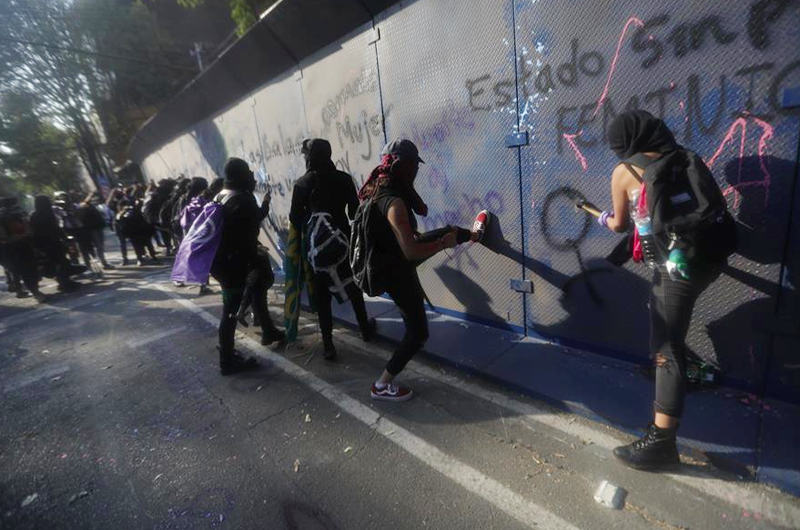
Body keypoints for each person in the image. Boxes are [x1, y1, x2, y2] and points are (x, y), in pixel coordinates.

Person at [597, 110, 726, 470]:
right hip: (707, 259)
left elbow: (621, 224)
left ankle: (661, 443)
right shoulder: (685, 158)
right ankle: (685, 373)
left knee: (665, 346)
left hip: (673, 267)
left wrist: (604, 219)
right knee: (668, 323)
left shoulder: (624, 173)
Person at [357, 139, 489, 401]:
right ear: (404, 167)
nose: (416, 172)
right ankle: (382, 385)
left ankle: (474, 235)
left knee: (444, 232)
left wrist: (440, 238)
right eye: (413, 167)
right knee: (418, 333)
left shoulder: (376, 188)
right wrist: (442, 244)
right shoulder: (394, 202)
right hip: (394, 270)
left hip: (390, 260)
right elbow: (411, 253)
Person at [289, 138, 376, 359]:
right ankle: (365, 328)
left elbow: (295, 218)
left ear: (310, 157)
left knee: (322, 296)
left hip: (316, 250)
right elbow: (355, 213)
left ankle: (328, 345)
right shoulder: (344, 179)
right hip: (343, 244)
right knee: (354, 288)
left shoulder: (302, 184)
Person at [211, 158, 285, 376]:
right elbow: (248, 235)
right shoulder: (243, 199)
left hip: (222, 263)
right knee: (231, 311)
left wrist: (264, 207)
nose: (253, 178)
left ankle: (268, 331)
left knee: (257, 290)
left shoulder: (222, 195)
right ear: (241, 176)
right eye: (249, 174)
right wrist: (253, 263)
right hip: (234, 265)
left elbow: (247, 222)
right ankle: (227, 360)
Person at [30, 195, 81, 291]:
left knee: (55, 263)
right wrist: (64, 238)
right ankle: (65, 282)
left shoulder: (34, 215)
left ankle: (63, 281)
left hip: (43, 244)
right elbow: (56, 228)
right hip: (53, 243)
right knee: (60, 262)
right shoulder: (48, 214)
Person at [0, 197, 45, 301]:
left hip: (11, 249)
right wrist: (25, 235)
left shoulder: (8, 215)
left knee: (18, 270)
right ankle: (35, 292)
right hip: (20, 246)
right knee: (28, 270)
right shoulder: (16, 213)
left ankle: (27, 291)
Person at [76, 192, 114, 270]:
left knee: (101, 246)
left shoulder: (92, 206)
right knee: (99, 246)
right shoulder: (82, 206)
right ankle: (103, 262)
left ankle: (103, 261)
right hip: (92, 229)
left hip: (98, 227)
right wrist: (90, 195)